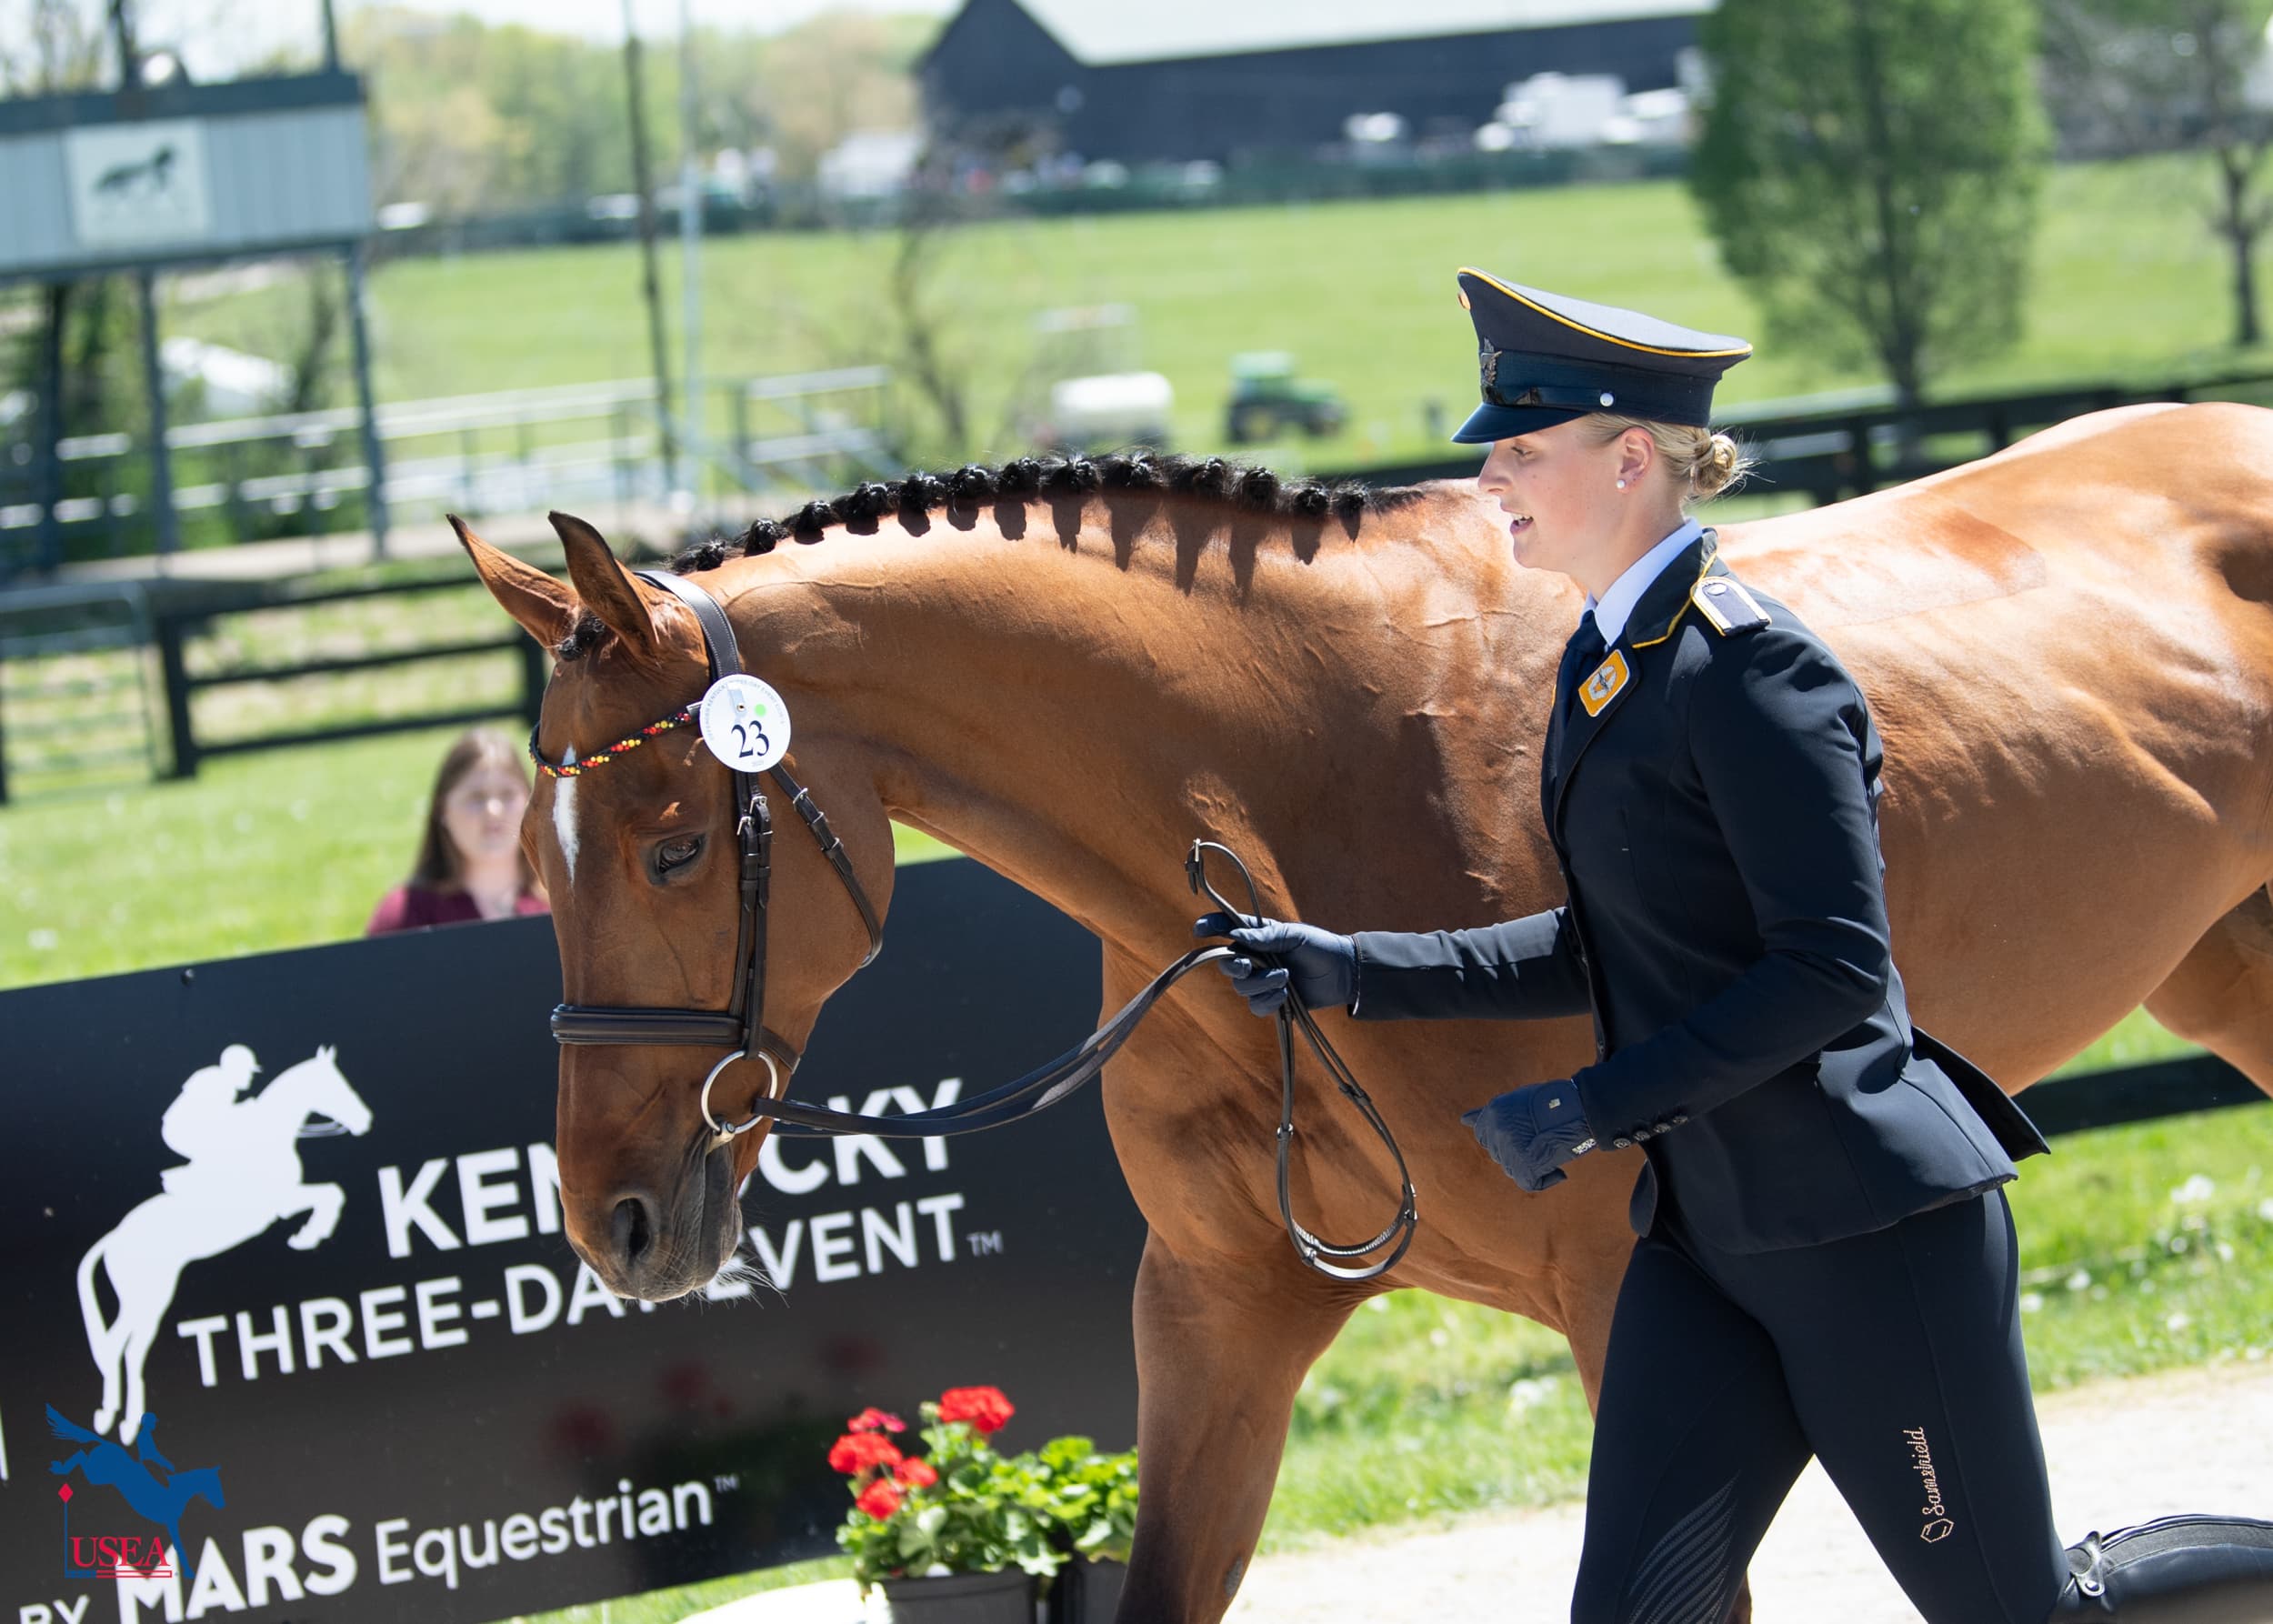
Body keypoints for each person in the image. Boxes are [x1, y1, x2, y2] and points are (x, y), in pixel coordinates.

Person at [1196, 269, 2273, 1622]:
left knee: (2020, 1612)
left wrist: (1592, 1104)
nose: (1493, 484)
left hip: (1868, 1236)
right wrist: (1343, 965)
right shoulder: (1608, 668)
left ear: (1630, 456)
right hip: (1704, 1241)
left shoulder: (1759, 677)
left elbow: (1830, 971)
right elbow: (1616, 944)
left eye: (1524, 452)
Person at [366, 727, 548, 935]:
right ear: (442, 809)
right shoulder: (404, 915)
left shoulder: (558, 909)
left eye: (507, 795)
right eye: (476, 797)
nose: (493, 810)